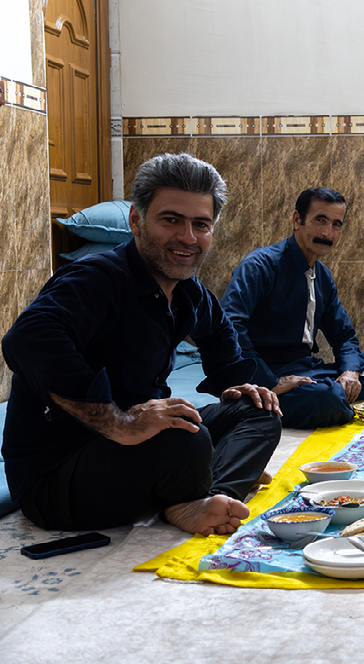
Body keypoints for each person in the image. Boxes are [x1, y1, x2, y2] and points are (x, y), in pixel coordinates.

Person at [1, 153, 282, 536]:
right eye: (171, 220)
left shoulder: (187, 292)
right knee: (188, 440)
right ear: (136, 220)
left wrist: (231, 384)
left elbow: (219, 335)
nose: (187, 237)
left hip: (134, 454)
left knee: (258, 410)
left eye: (201, 224)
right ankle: (195, 492)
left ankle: (203, 499)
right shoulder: (96, 280)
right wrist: (120, 422)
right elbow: (27, 339)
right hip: (59, 479)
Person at [221, 187, 364, 429]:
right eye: (320, 220)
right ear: (296, 220)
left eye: (336, 224)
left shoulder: (321, 274)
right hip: (264, 368)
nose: (327, 232)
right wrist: (270, 381)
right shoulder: (260, 264)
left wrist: (351, 372)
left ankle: (328, 398)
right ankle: (273, 399)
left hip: (305, 369)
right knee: (325, 398)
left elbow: (344, 336)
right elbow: (230, 325)